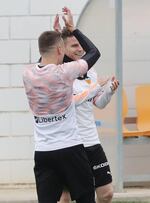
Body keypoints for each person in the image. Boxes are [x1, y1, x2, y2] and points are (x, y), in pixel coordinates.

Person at [23, 7, 100, 203]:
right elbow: (93, 52)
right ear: (60, 50)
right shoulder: (66, 72)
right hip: (70, 148)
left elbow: (45, 61)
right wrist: (73, 29)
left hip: (43, 152)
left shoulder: (28, 74)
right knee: (86, 198)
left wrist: (56, 35)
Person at [53, 14, 119, 203]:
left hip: (91, 141)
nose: (80, 48)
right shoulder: (59, 72)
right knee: (65, 198)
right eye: (74, 45)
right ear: (63, 48)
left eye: (81, 44)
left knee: (106, 193)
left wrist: (108, 91)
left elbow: (98, 103)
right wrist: (96, 86)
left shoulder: (90, 72)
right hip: (69, 144)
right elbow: (71, 102)